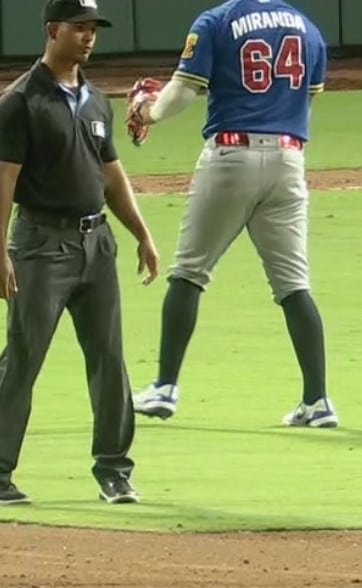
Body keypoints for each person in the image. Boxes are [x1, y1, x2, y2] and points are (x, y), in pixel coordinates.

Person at [125, 0, 337, 428]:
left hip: (231, 157)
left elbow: (181, 93)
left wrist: (148, 111)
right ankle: (317, 401)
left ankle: (164, 388)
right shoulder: (308, 29)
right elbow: (305, 98)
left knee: (188, 273)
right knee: (294, 285)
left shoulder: (217, 20)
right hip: (289, 160)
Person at [0, 0, 161, 506]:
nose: (89, 36)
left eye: (93, 28)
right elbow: (4, 182)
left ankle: (114, 470)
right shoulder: (19, 101)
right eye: (79, 27)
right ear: (52, 30)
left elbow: (111, 175)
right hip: (39, 245)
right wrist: (0, 253)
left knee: (109, 358)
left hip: (97, 244)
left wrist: (141, 233)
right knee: (23, 357)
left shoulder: (95, 101)